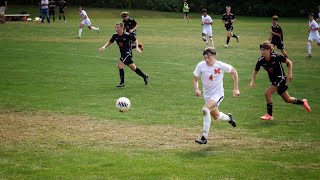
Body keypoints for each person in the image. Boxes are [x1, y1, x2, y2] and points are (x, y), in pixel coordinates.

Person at [249, 41, 311, 121]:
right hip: (274, 80)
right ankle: (303, 102)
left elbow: (289, 62)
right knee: (287, 99)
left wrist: (290, 74)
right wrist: (252, 81)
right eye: (261, 50)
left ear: (268, 50)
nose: (262, 51)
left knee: (267, 93)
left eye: (263, 50)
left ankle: (269, 115)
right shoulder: (261, 60)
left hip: (280, 78)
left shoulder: (275, 57)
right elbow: (255, 71)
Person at [193, 47, 240, 144]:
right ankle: (229, 118)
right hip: (207, 96)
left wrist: (236, 88)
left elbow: (234, 72)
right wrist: (197, 89)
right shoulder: (200, 65)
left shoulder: (220, 65)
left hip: (218, 94)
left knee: (205, 109)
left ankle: (204, 137)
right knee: (216, 116)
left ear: (214, 56)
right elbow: (195, 79)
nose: (206, 60)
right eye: (205, 57)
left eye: (209, 57)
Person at [99, 22, 148, 87]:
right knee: (133, 68)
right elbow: (110, 42)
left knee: (120, 64)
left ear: (122, 28)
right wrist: (104, 46)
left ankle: (122, 83)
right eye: (115, 27)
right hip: (123, 54)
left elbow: (135, 40)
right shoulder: (115, 35)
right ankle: (144, 76)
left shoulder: (127, 35)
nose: (116, 29)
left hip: (128, 53)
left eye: (118, 27)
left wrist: (136, 47)